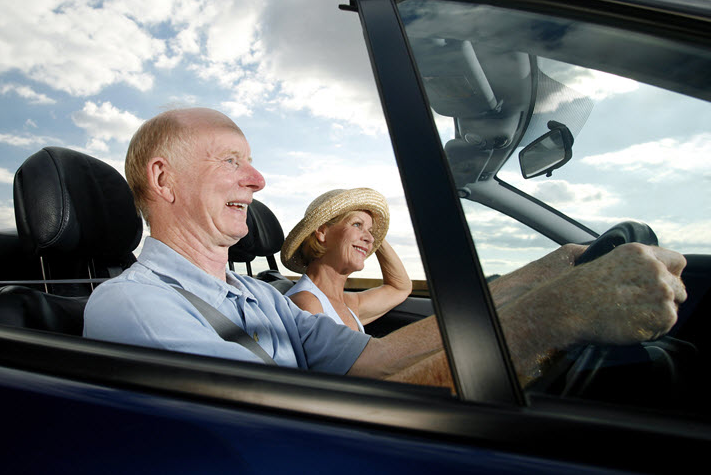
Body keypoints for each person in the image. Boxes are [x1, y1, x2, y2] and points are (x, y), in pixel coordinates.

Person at [84, 107, 687, 390]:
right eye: (232, 161)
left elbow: (371, 362)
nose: (258, 180)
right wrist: (557, 317)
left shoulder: (252, 294)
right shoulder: (134, 307)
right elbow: (297, 430)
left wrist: (544, 276)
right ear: (164, 181)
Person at [280, 188, 411, 332]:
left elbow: (400, 288)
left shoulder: (347, 304)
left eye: (371, 231)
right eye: (357, 224)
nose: (371, 239)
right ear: (322, 232)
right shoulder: (306, 302)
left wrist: (376, 235)